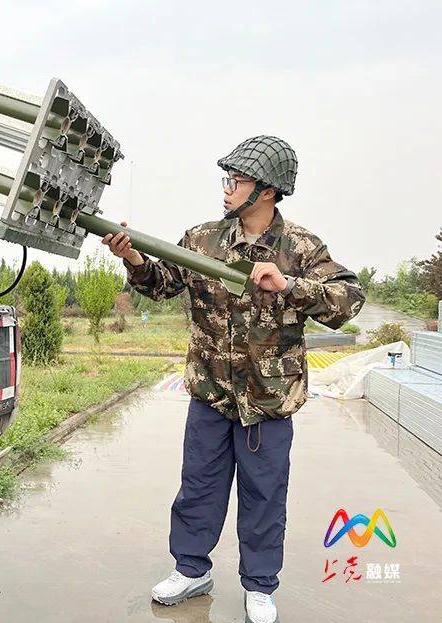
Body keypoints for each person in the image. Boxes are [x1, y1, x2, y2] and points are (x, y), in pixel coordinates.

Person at [101, 136, 365, 623]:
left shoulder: (301, 247)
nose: (226, 190)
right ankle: (191, 569)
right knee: (198, 487)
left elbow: (348, 300)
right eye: (226, 180)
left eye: (236, 181)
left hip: (269, 399)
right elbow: (162, 285)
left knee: (264, 495)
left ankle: (260, 585)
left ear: (266, 191)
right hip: (210, 394)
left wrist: (288, 285)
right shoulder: (201, 239)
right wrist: (133, 259)